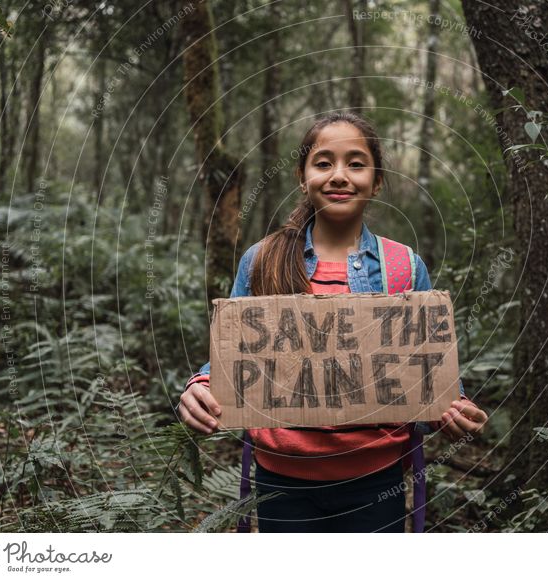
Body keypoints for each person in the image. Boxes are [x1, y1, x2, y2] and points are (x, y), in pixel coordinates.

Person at [178, 111, 489, 532]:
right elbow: (235, 356)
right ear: (302, 176)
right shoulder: (262, 259)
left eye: (356, 163)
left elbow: (428, 371)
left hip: (376, 483)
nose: (339, 175)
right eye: (323, 163)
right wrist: (199, 386)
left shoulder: (404, 266)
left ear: (376, 181)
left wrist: (455, 410)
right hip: (280, 482)